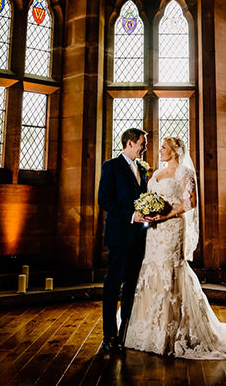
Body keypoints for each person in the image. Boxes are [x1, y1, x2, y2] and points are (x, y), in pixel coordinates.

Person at [123, 136, 226, 359]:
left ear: (175, 151)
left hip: (172, 228)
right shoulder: (156, 172)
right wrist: (149, 211)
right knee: (152, 270)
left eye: (163, 147)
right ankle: (150, 329)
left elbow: (191, 202)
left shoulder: (184, 172)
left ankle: (174, 331)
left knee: (171, 270)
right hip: (154, 231)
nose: (159, 150)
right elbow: (150, 196)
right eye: (160, 147)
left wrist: (167, 213)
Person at [98, 127, 150, 353]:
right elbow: (104, 200)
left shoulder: (142, 169)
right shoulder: (111, 166)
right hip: (119, 236)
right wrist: (131, 215)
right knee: (113, 285)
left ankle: (125, 332)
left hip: (139, 237)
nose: (144, 148)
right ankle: (109, 335)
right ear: (129, 143)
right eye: (141, 143)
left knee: (131, 285)